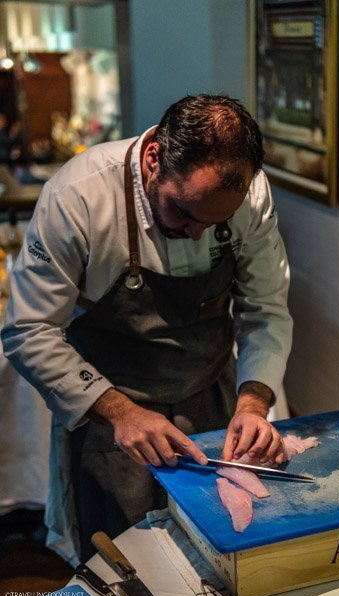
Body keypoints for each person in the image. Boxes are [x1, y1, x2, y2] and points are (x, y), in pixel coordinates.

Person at [1, 94, 293, 564]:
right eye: (184, 213)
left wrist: (254, 403)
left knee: (217, 558)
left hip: (211, 397)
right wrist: (121, 413)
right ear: (154, 156)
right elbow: (29, 329)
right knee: (126, 564)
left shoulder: (249, 194)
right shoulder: (77, 197)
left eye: (214, 223)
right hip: (111, 415)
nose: (198, 233)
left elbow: (265, 309)